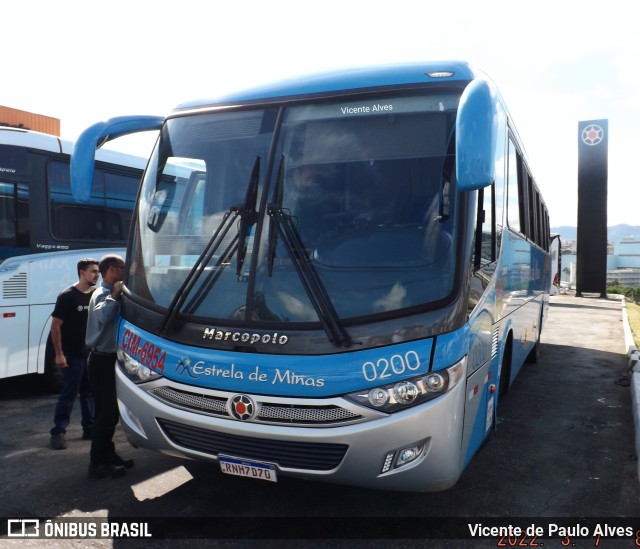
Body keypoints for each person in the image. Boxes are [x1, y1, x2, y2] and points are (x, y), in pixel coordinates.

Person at [85, 254, 134, 479]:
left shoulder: (110, 292)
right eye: (123, 268)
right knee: (106, 414)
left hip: (110, 359)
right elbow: (104, 316)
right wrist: (116, 294)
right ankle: (97, 463)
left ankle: (108, 455)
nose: (125, 272)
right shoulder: (102, 293)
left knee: (111, 413)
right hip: (101, 360)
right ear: (113, 270)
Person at [49, 258, 100, 450]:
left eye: (98, 272)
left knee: (89, 394)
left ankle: (89, 428)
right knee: (69, 394)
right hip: (72, 355)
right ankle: (58, 432)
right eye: (93, 271)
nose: (97, 275)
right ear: (82, 272)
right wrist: (59, 354)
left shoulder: (95, 295)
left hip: (89, 355)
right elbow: (55, 327)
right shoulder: (68, 296)